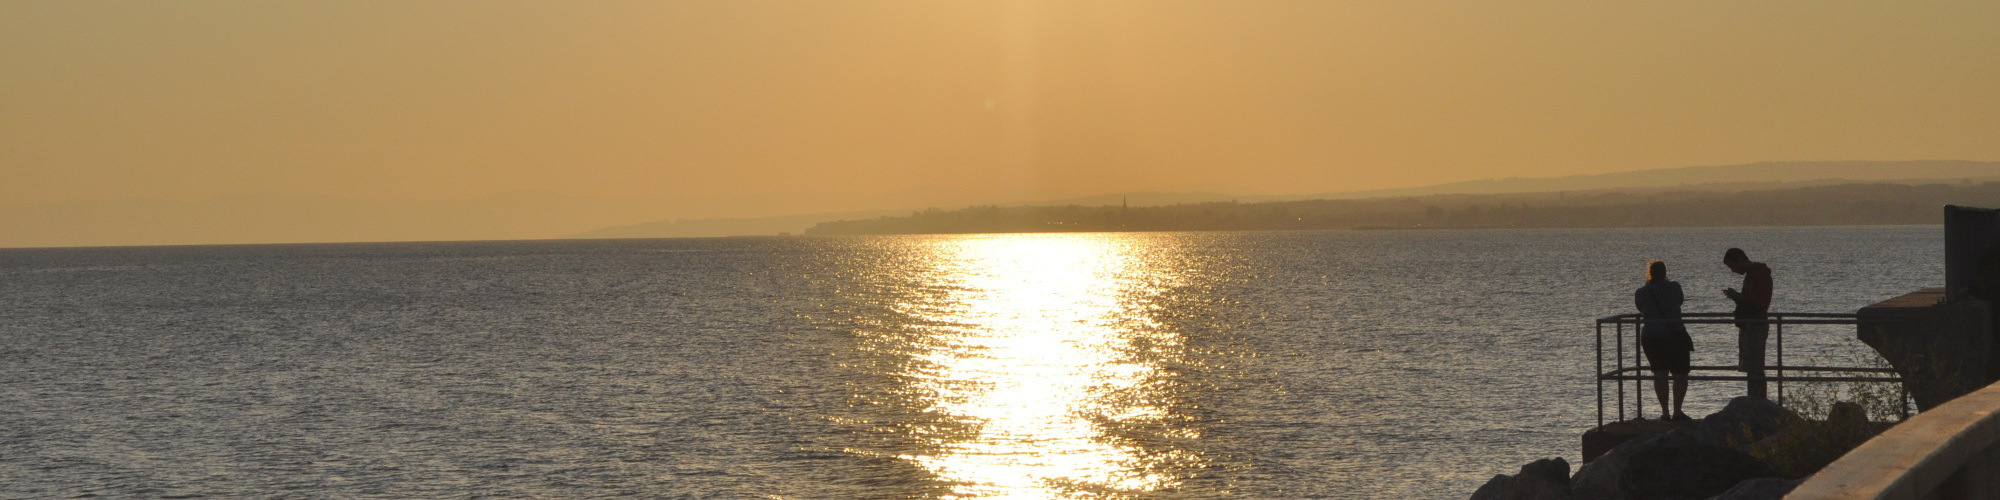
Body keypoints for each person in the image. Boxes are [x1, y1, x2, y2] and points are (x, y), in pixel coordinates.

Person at [1636, 260, 1692, 420]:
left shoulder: (1641, 292)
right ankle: (1677, 411)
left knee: (1660, 373)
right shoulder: (1675, 287)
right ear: (1665, 272)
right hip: (1675, 333)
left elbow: (1641, 309)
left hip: (1651, 335)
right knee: (1680, 373)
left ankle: (1665, 412)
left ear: (1650, 273)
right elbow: (1679, 301)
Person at [1722, 248, 1774, 399]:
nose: (1733, 271)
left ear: (1740, 260)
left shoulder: (1758, 275)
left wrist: (1738, 297)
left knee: (1755, 367)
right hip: (1751, 325)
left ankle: (1756, 400)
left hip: (1755, 326)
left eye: (1732, 267)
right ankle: (1756, 398)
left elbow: (1758, 303)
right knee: (1753, 367)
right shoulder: (1754, 274)